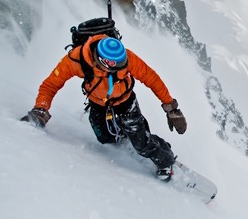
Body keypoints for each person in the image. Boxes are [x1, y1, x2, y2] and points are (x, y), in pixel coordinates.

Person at [22, 35, 187, 181]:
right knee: (104, 138)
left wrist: (171, 108)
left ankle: (165, 160)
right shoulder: (76, 60)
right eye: (116, 67)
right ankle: (124, 133)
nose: (122, 68)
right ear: (101, 62)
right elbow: (50, 85)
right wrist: (40, 109)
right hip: (98, 104)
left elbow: (152, 79)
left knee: (141, 143)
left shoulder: (126, 57)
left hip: (125, 102)